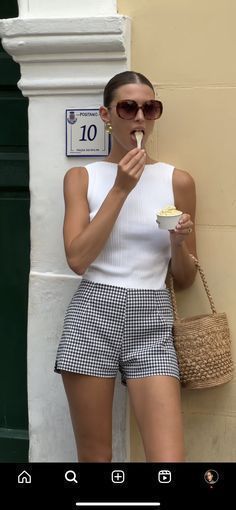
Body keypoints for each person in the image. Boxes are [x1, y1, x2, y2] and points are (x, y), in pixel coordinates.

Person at [55, 70, 197, 462]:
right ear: (106, 114)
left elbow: (184, 280)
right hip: (92, 315)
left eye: (150, 108)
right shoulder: (82, 178)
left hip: (151, 317)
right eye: (128, 107)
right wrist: (121, 189)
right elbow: (78, 259)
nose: (139, 118)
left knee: (169, 458)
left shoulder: (177, 181)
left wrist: (178, 244)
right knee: (96, 457)